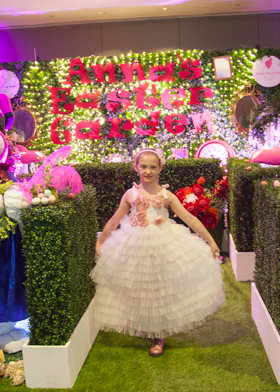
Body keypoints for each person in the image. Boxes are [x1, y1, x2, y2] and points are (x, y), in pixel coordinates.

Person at [90, 148, 225, 357]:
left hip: (163, 243)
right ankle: (146, 322)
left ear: (160, 168)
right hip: (134, 244)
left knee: (159, 287)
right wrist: (101, 240)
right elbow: (115, 219)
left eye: (153, 167)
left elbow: (189, 219)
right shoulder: (131, 194)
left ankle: (159, 333)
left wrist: (211, 240)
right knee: (140, 286)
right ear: (136, 167)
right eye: (143, 166)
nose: (148, 171)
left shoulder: (166, 195)